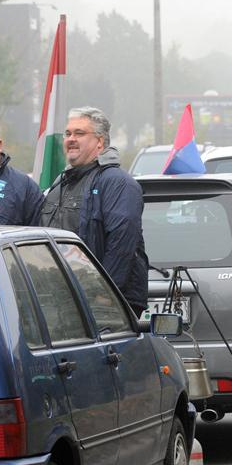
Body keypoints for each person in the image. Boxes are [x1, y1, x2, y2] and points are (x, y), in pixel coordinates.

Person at [39, 107, 148, 315]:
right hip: (64, 301)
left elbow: (122, 245)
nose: (71, 139)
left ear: (100, 141)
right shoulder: (60, 185)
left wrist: (105, 296)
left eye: (79, 133)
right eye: (68, 133)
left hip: (104, 306)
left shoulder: (117, 183)